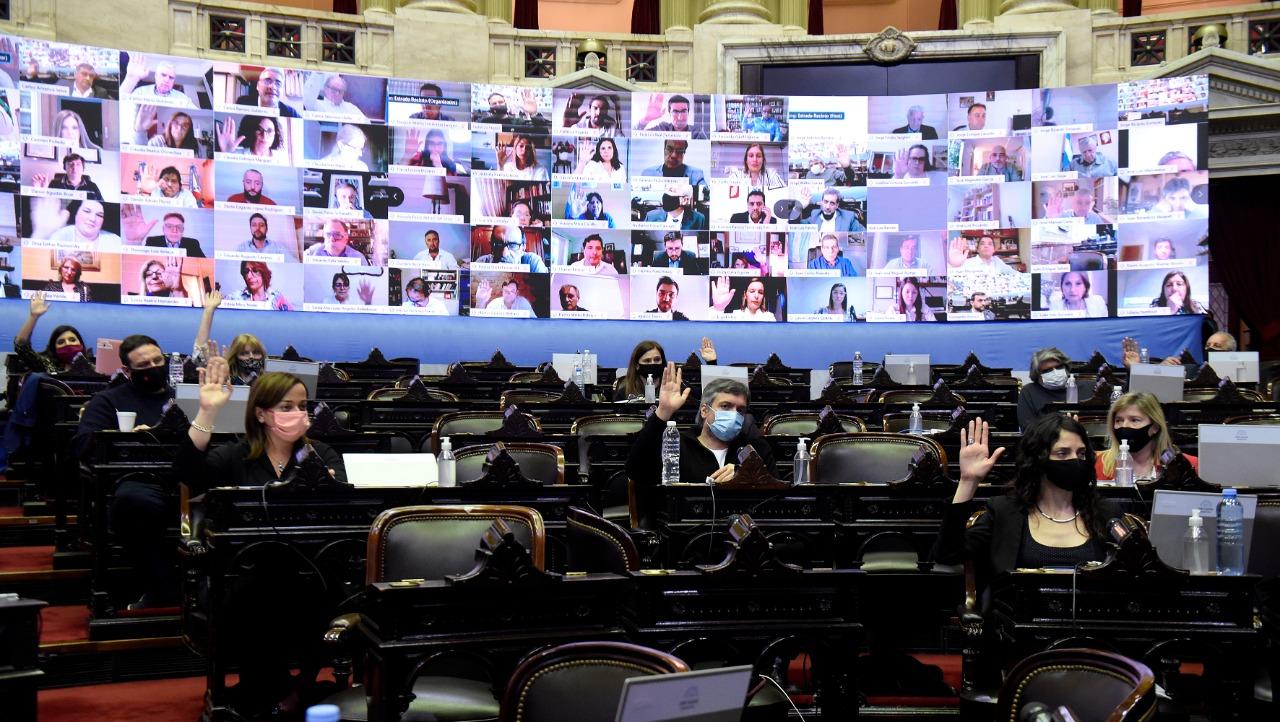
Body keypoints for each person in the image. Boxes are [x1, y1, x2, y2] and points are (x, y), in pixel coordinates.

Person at [178, 367, 345, 715]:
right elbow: (186, 473)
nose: (297, 414)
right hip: (244, 578)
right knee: (262, 592)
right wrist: (208, 412)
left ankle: (296, 691)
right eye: (286, 406)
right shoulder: (235, 456)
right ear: (261, 413)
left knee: (328, 593)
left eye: (302, 405)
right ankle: (271, 693)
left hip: (310, 575)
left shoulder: (323, 456)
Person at [932, 416, 1120, 586]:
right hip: (1015, 618)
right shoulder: (1004, 511)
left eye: (1081, 453)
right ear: (1038, 459)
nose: (1075, 460)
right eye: (1063, 453)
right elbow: (947, 555)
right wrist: (968, 482)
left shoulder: (1106, 513)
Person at [73, 336, 178, 610]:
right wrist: (129, 439)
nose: (155, 367)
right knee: (133, 503)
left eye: (158, 361)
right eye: (145, 364)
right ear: (129, 371)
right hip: (136, 478)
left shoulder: (183, 397)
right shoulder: (108, 400)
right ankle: (161, 587)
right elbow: (84, 444)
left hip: (186, 476)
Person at [625, 371, 775, 490]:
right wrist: (663, 413)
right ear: (704, 410)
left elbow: (775, 492)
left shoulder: (757, 449)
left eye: (740, 410)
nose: (734, 414)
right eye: (725, 406)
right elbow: (635, 472)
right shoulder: (676, 445)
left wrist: (742, 473)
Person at [1096, 392, 1199, 482]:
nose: (1124, 426)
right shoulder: (1095, 463)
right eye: (1119, 420)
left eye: (1134, 420)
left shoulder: (1190, 465)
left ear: (1155, 427)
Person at [1016, 347, 1092, 430]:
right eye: (1047, 370)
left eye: (1059, 367)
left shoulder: (1088, 387)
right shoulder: (1029, 392)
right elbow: (1027, 429)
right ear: (1037, 375)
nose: (1055, 372)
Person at [13, 292, 88, 373]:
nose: (67, 344)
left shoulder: (91, 368)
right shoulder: (47, 365)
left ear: (81, 343)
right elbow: (20, 346)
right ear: (54, 348)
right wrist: (33, 317)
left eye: (72, 340)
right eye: (61, 342)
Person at [120, 56, 196, 108]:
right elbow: (121, 108)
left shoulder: (184, 99)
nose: (167, 80)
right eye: (163, 75)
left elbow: (199, 115)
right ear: (156, 76)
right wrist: (131, 79)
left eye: (171, 77)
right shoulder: (141, 92)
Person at [47, 200, 122, 249]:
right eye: (87, 211)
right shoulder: (59, 236)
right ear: (76, 213)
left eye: (99, 215)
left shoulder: (115, 241)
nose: (93, 219)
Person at [473, 225, 548, 272]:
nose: (504, 253)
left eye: (513, 245)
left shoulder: (533, 261)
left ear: (523, 248)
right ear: (491, 245)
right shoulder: (482, 262)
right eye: (498, 244)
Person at [31, 153, 104, 200]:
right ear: (65, 168)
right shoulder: (54, 184)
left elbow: (102, 205)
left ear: (83, 168)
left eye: (78, 164)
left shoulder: (93, 186)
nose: (74, 167)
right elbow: (46, 207)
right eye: (70, 164)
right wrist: (40, 191)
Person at [639, 139, 706, 189]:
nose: (674, 155)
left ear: (684, 153)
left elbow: (706, 196)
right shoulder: (647, 173)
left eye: (679, 151)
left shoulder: (696, 174)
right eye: (669, 149)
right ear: (664, 149)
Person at [133, 106, 201, 155]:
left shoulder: (194, 145)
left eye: (185, 125)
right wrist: (140, 131)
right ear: (170, 125)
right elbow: (142, 155)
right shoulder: (158, 142)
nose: (179, 128)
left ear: (189, 129)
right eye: (176, 123)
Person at [234, 67, 299, 117]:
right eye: (267, 80)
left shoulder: (291, 113)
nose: (272, 87)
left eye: (278, 83)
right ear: (257, 86)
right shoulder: (242, 103)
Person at [475, 89, 550, 132]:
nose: (498, 105)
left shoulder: (517, 122)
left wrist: (533, 114)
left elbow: (543, 132)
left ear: (505, 102)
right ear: (490, 106)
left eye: (500, 102)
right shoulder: (483, 122)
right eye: (494, 103)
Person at [217, 114, 287, 160]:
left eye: (269, 131)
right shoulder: (235, 155)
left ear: (275, 134)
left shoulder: (281, 159)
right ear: (252, 132)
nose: (264, 136)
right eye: (259, 130)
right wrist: (226, 154)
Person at [636, 94, 707, 138]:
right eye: (675, 112)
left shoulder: (698, 133)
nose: (680, 117)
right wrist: (646, 119)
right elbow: (635, 135)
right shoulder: (662, 128)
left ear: (688, 112)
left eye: (684, 111)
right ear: (669, 113)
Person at [399, 128, 466, 174]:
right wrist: (407, 154)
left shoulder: (450, 164)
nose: (436, 148)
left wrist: (438, 166)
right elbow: (400, 170)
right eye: (432, 143)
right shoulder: (419, 157)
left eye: (439, 144)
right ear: (427, 145)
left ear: (444, 145)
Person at [304, 219, 368, 264]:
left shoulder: (359, 258)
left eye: (337, 234)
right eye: (328, 234)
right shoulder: (312, 252)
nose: (332, 239)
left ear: (346, 237)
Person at [136, 165, 203, 207]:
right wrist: (145, 192)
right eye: (166, 180)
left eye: (174, 181)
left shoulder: (186, 195)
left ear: (180, 186)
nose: (169, 184)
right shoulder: (154, 191)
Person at [950, 234, 1017, 275]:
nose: (986, 246)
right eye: (982, 243)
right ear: (977, 249)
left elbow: (1014, 274)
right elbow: (951, 275)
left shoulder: (998, 261)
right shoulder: (968, 263)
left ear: (994, 250)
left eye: (990, 244)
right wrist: (953, 265)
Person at [1046, 186, 1110, 224]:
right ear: (1072, 203)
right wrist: (1049, 219)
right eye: (1079, 202)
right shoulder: (1063, 215)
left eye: (1087, 203)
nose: (1083, 207)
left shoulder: (1095, 217)